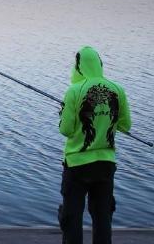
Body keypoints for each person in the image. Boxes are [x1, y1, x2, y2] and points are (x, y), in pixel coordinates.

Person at [58, 46, 131, 244]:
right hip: (105, 165)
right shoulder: (117, 89)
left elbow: (65, 129)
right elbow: (125, 126)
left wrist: (63, 112)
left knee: (72, 219)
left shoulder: (74, 91)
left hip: (77, 165)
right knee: (103, 218)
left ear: (78, 66)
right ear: (99, 64)